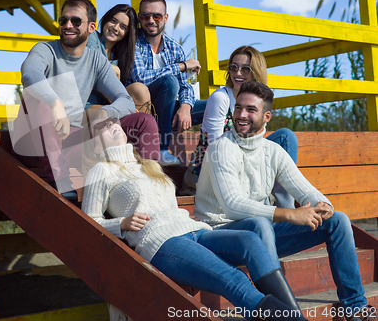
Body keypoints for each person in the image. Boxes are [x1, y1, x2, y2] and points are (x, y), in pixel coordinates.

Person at [81, 115, 309, 321]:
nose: (112, 124)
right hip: (162, 241)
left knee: (250, 241)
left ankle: (293, 316)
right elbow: (88, 222)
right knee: (235, 279)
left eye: (113, 120)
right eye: (102, 125)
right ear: (93, 144)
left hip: (193, 229)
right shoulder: (101, 171)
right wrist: (121, 223)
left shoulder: (150, 165)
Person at [194, 81, 376, 321]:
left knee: (338, 220)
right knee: (259, 225)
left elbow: (305, 190)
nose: (241, 115)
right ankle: (287, 314)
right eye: (238, 108)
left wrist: (323, 205)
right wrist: (289, 214)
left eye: (250, 110)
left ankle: (354, 307)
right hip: (220, 234)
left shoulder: (272, 151)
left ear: (266, 116)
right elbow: (232, 204)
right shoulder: (220, 148)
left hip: (262, 233)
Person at [10, 0, 160, 201]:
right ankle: (61, 180)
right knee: (36, 96)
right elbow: (30, 74)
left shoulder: (95, 59)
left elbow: (124, 99)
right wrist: (55, 102)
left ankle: (153, 182)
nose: (68, 25)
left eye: (76, 21)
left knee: (144, 121)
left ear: (91, 27)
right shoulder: (45, 50)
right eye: (63, 20)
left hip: (70, 141)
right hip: (33, 143)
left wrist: (105, 112)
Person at [181, 45, 298, 204]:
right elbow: (217, 148)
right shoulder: (221, 98)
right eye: (233, 67)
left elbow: (257, 143)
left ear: (256, 72)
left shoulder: (259, 101)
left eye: (245, 69)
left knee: (286, 137)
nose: (237, 73)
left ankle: (285, 208)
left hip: (244, 166)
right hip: (209, 170)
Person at [128, 0, 207, 166]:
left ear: (165, 18)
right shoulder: (132, 42)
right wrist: (181, 66)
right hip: (142, 110)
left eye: (156, 16)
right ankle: (162, 150)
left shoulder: (174, 47)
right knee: (169, 81)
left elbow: (185, 86)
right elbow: (141, 78)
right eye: (145, 15)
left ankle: (205, 160)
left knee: (213, 104)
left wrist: (186, 107)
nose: (150, 20)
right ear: (139, 17)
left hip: (169, 110)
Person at [86, 4, 153, 115]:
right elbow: (98, 67)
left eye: (123, 27)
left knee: (140, 89)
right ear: (106, 19)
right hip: (89, 103)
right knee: (114, 70)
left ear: (127, 33)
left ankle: (145, 127)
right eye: (113, 21)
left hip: (111, 104)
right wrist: (125, 105)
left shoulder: (122, 57)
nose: (116, 28)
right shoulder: (92, 36)